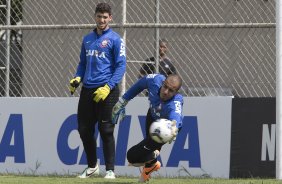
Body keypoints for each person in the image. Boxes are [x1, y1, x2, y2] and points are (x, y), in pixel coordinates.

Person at [69, 2, 126, 179]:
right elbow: (82, 64)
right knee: (84, 129)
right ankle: (92, 166)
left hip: (107, 90)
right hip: (88, 89)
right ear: (95, 16)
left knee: (106, 129)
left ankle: (110, 170)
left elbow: (121, 66)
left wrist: (108, 87)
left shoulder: (116, 39)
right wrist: (78, 78)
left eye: (105, 17)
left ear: (110, 18)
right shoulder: (87, 39)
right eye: (99, 16)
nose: (101, 20)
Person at [112, 74, 183, 182]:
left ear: (176, 92)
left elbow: (176, 116)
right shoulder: (155, 80)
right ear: (163, 82)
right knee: (146, 150)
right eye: (165, 87)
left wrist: (174, 127)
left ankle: (153, 156)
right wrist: (123, 101)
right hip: (152, 116)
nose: (165, 92)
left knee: (132, 157)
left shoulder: (175, 102)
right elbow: (139, 85)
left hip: (166, 129)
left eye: (171, 91)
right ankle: (152, 164)